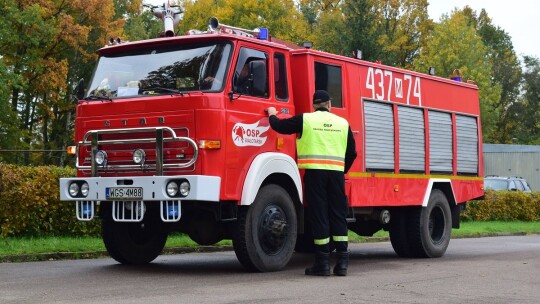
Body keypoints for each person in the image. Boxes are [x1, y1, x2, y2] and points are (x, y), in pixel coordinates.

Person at [266, 90, 357, 276]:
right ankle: (342, 264)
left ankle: (322, 264)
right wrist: (341, 169)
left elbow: (280, 127)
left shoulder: (305, 119)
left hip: (315, 175)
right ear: (329, 104)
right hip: (336, 176)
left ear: (314, 105)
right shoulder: (343, 123)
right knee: (338, 215)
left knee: (320, 216)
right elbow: (352, 153)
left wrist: (272, 113)